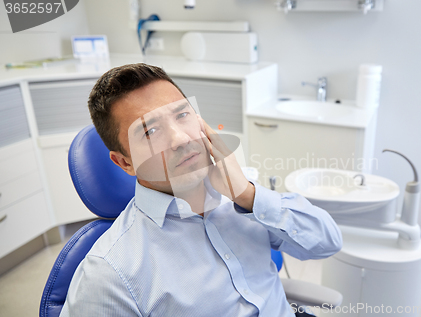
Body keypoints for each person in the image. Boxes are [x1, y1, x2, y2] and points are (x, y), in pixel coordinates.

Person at [59, 63, 342, 317]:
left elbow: (328, 242)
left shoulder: (241, 197)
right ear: (125, 162)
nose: (181, 138)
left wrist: (246, 194)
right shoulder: (110, 274)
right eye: (150, 132)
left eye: (183, 115)